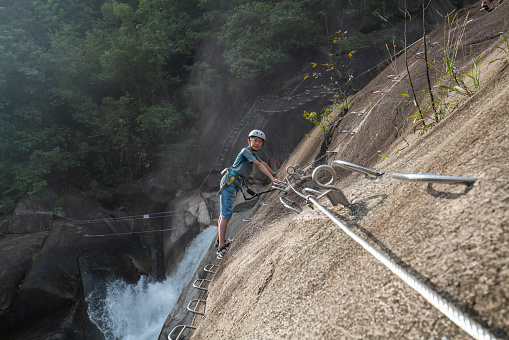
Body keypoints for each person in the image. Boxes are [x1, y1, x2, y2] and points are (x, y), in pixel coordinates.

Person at [215, 129, 281, 259]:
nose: (257, 143)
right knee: (226, 214)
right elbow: (258, 165)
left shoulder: (252, 154)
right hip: (230, 182)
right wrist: (272, 179)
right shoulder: (245, 151)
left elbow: (264, 163)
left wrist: (274, 174)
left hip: (233, 183)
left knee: (224, 213)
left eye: (260, 142)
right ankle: (221, 246)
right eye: (255, 140)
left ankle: (219, 240)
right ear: (249, 141)